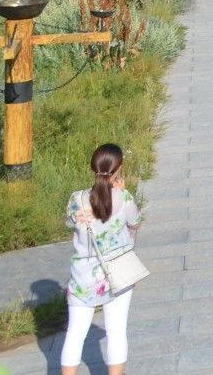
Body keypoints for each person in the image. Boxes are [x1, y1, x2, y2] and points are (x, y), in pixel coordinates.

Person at [61, 142, 140, 375]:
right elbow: (134, 223)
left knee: (75, 333)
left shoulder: (77, 199)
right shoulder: (124, 198)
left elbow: (69, 223)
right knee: (116, 331)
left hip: (83, 274)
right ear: (120, 168)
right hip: (118, 271)